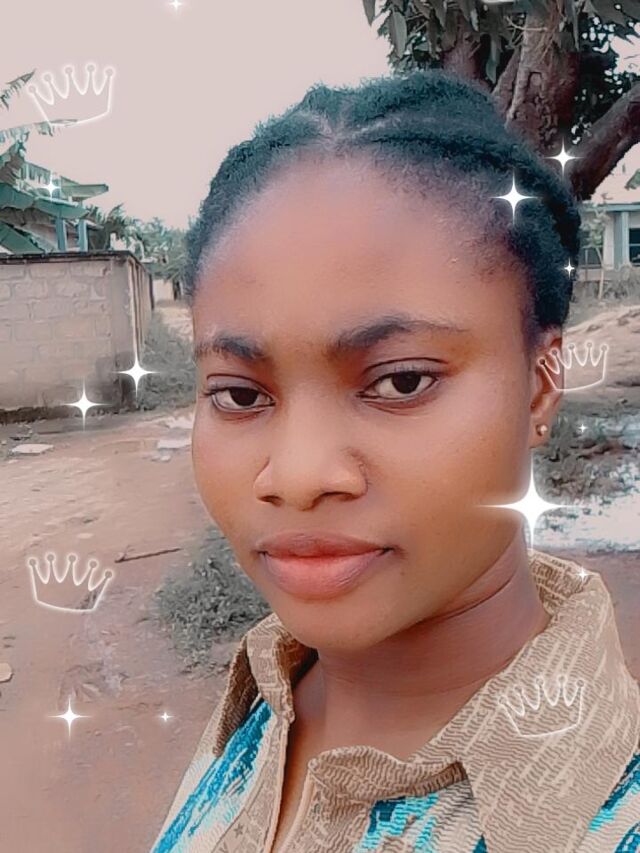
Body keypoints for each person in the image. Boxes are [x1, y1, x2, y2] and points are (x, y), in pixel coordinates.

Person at [149, 68, 640, 853]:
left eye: (402, 381)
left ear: (542, 383)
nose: (298, 475)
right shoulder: (262, 696)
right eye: (241, 394)